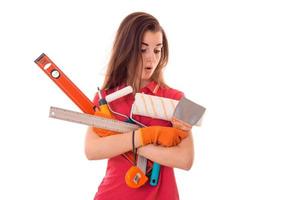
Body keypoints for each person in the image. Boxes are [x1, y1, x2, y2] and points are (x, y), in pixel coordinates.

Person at [85, 12, 194, 200]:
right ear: (126, 50)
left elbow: (185, 160)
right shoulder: (104, 98)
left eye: (157, 50)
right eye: (143, 50)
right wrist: (145, 137)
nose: (151, 59)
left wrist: (135, 142)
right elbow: (92, 150)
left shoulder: (179, 98)